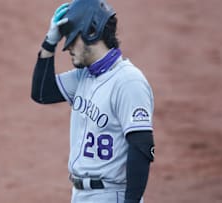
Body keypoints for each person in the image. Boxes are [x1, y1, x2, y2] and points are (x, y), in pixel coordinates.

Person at [31, 0, 155, 202]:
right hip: (81, 194)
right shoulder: (85, 77)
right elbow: (41, 93)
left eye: (71, 38)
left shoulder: (128, 81)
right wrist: (49, 42)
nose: (67, 46)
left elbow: (141, 147)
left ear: (91, 32)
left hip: (111, 194)